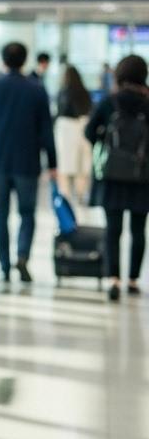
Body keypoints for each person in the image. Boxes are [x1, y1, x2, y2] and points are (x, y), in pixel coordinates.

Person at [0, 42, 57, 284]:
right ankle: (23, 255)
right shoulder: (37, 89)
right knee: (27, 213)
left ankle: (5, 267)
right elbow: (47, 129)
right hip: (28, 161)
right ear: (25, 60)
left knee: (0, 215)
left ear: (3, 60)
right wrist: (53, 163)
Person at [85, 54, 149, 301]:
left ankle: (113, 278)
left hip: (111, 175)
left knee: (113, 229)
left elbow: (90, 131)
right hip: (143, 176)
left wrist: (106, 144)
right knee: (138, 229)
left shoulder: (109, 101)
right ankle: (133, 279)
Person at [53, 64, 94, 203]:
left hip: (65, 129)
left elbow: (59, 112)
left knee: (64, 164)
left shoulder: (62, 92)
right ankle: (81, 194)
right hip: (82, 127)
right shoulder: (85, 92)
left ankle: (65, 195)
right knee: (81, 164)